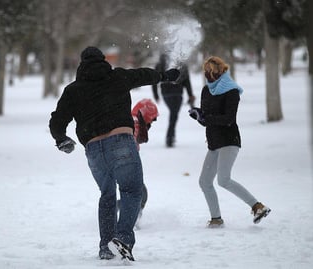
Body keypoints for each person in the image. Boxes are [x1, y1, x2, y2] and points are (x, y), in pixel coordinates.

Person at [49, 46, 170, 261]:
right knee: (132, 191)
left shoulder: (73, 90)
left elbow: (57, 120)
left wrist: (61, 139)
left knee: (107, 196)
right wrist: (163, 76)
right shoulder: (118, 77)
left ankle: (106, 248)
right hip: (121, 140)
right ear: (103, 60)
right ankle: (123, 239)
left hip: (94, 149)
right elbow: (143, 74)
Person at [189, 56, 271, 228]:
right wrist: (198, 116)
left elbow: (228, 119)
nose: (206, 75)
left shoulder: (231, 91)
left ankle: (258, 206)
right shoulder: (206, 90)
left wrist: (206, 117)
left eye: (209, 71)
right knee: (204, 181)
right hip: (213, 142)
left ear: (218, 72)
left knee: (224, 180)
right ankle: (216, 219)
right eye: (205, 72)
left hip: (229, 140)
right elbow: (207, 119)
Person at [117, 99, 159, 228]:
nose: (151, 123)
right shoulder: (135, 122)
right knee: (139, 192)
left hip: (122, 163)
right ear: (146, 114)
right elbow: (125, 143)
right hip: (124, 163)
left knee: (134, 192)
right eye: (152, 119)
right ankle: (131, 220)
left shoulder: (132, 119)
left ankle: (128, 217)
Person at [152, 54, 196, 147]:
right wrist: (190, 94)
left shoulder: (161, 63)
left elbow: (154, 80)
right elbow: (186, 81)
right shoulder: (180, 63)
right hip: (176, 93)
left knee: (174, 113)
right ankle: (170, 137)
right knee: (174, 114)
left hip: (167, 93)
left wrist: (156, 94)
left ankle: (170, 136)